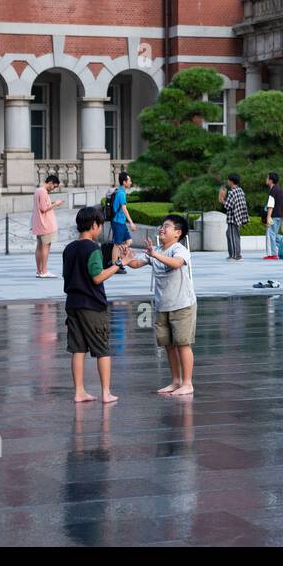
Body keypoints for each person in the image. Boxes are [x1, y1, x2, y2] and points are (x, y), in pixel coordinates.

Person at [124, 215, 196, 397]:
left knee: (183, 344)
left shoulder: (180, 249)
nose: (162, 229)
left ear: (177, 233)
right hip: (162, 304)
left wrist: (155, 254)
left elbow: (177, 264)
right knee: (168, 345)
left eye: (167, 226)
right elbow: (136, 263)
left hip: (182, 304)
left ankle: (188, 383)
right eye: (162, 226)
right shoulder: (155, 250)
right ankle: (176, 381)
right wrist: (124, 257)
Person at [62, 205, 120, 404]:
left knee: (78, 349)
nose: (101, 229)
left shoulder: (69, 248)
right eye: (100, 225)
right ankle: (106, 393)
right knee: (102, 349)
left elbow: (67, 275)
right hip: (92, 305)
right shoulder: (93, 248)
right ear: (94, 224)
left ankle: (79, 392)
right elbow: (97, 277)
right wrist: (117, 265)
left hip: (72, 303)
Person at [31, 174, 64, 279]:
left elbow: (43, 206)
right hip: (46, 224)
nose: (53, 189)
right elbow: (44, 208)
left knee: (39, 247)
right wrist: (56, 204)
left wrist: (52, 202)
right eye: (54, 186)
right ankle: (44, 271)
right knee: (46, 246)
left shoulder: (38, 191)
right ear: (50, 183)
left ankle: (39, 270)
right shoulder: (43, 192)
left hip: (39, 224)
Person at [218, 174, 248, 262]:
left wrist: (222, 199)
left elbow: (228, 205)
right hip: (239, 217)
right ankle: (233, 254)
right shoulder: (240, 190)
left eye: (228, 180)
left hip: (233, 218)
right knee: (231, 235)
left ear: (231, 181)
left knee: (233, 236)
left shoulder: (232, 192)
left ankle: (236, 256)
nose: (227, 182)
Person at [109, 173, 135, 274]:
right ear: (124, 182)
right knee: (117, 244)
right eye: (129, 180)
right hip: (118, 222)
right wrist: (131, 222)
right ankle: (115, 265)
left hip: (121, 222)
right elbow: (124, 208)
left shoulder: (120, 191)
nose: (130, 182)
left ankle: (117, 260)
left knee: (129, 241)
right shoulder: (121, 193)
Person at [262, 173, 283, 261]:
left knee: (270, 234)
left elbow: (270, 205)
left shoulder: (273, 190)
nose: (266, 179)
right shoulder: (281, 190)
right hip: (280, 216)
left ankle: (272, 254)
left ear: (271, 180)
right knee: (274, 234)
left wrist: (268, 217)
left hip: (273, 215)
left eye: (267, 178)